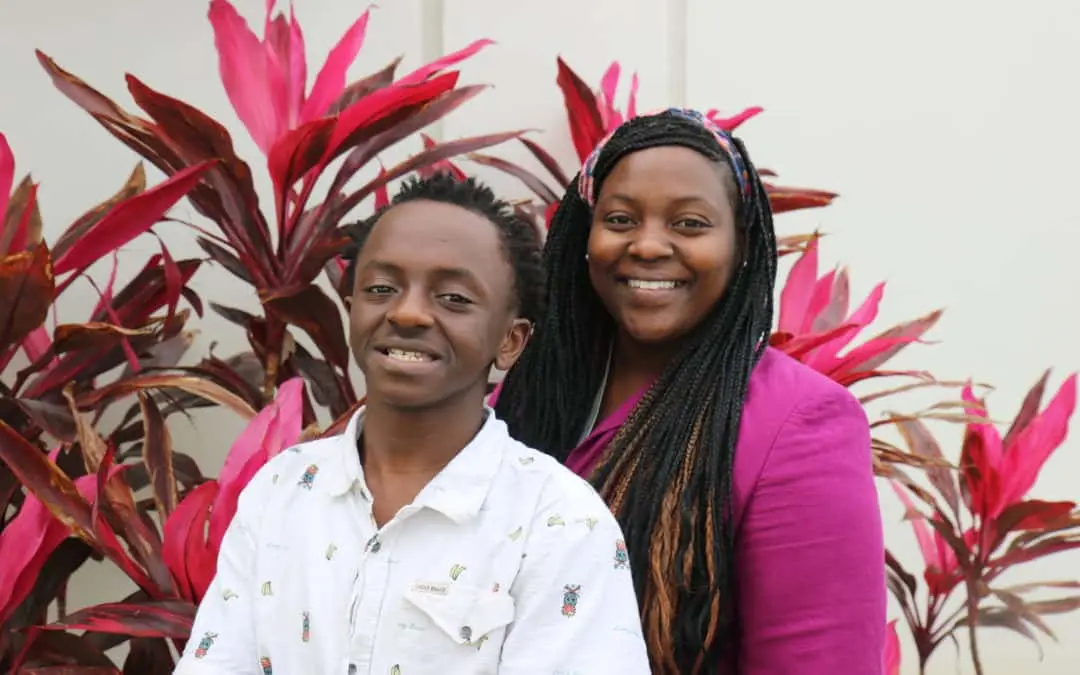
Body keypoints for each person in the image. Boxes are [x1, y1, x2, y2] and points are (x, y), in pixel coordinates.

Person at [174, 174, 651, 675]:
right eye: (382, 288)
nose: (407, 313)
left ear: (510, 341)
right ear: (352, 307)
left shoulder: (559, 524)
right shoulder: (280, 491)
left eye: (454, 299)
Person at [493, 108, 886, 674]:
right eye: (622, 219)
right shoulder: (527, 398)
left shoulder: (799, 422)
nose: (649, 246)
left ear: (742, 242)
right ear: (585, 236)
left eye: (690, 224)